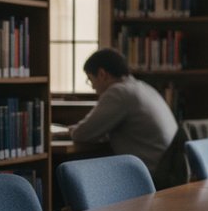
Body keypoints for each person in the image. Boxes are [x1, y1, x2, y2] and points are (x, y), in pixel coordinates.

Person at [70, 48, 179, 177]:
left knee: (79, 173)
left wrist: (70, 130)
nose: (93, 87)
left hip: (150, 175)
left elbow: (82, 134)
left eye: (90, 79)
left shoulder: (119, 92)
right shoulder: (141, 87)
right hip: (168, 169)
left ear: (102, 74)